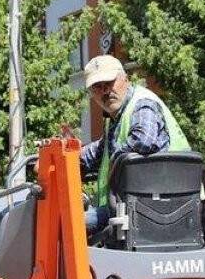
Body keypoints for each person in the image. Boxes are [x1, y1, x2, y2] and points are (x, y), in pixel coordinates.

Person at [78, 55, 191, 233]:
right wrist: (65, 157)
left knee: (71, 223)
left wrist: (115, 160)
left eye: (109, 82)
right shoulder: (116, 120)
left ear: (126, 79)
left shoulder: (142, 104)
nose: (105, 91)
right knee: (72, 217)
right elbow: (98, 152)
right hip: (134, 206)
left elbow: (143, 141)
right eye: (97, 87)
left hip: (158, 205)